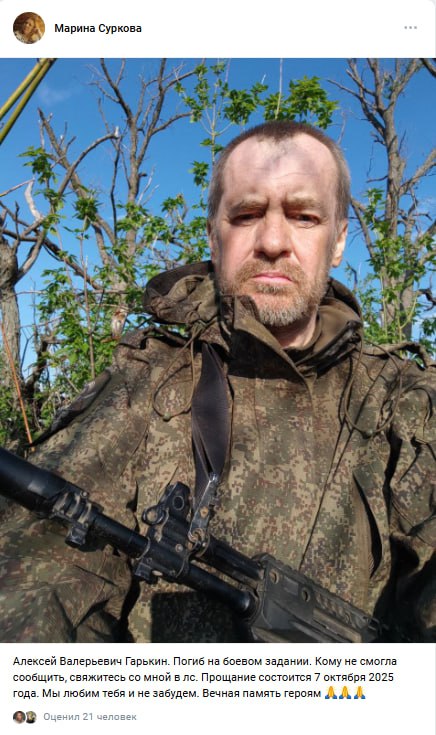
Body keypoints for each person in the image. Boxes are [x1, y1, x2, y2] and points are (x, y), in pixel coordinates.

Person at [0, 121, 434, 643]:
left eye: (304, 216)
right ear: (214, 234)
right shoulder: (146, 380)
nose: (272, 242)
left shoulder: (404, 403)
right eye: (247, 215)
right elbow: (41, 570)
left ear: (338, 239)